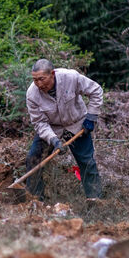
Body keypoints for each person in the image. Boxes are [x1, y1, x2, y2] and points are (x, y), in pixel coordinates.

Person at [25, 58, 103, 202]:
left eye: (42, 79)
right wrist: (53, 139)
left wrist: (91, 117)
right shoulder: (32, 94)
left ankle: (94, 200)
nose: (39, 84)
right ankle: (35, 201)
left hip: (77, 124)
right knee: (33, 159)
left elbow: (96, 91)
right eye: (35, 80)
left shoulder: (71, 77)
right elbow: (39, 122)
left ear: (52, 74)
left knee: (87, 162)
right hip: (51, 128)